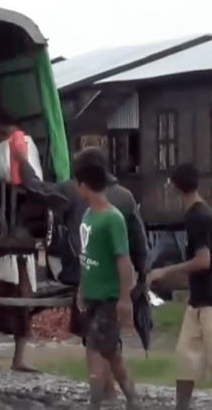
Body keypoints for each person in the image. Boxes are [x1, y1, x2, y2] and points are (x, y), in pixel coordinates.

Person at [11, 145, 148, 404]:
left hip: (100, 284)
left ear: (83, 178)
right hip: (101, 283)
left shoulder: (78, 195)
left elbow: (40, 190)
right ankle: (112, 395)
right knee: (102, 343)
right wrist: (141, 280)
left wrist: (23, 162)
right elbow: (138, 244)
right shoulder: (125, 198)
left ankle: (114, 396)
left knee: (98, 345)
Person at [147, 163, 212, 410]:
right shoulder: (198, 213)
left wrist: (165, 271)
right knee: (185, 360)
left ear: (175, 187)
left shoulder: (198, 215)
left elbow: (203, 260)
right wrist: (191, 292)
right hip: (199, 301)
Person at [73, 155, 141, 410]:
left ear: (84, 185)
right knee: (110, 352)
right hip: (91, 293)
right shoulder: (87, 216)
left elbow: (123, 260)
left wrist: (125, 298)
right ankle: (131, 398)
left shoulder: (113, 219)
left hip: (107, 297)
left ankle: (97, 402)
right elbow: (87, 255)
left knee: (97, 348)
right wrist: (81, 287)